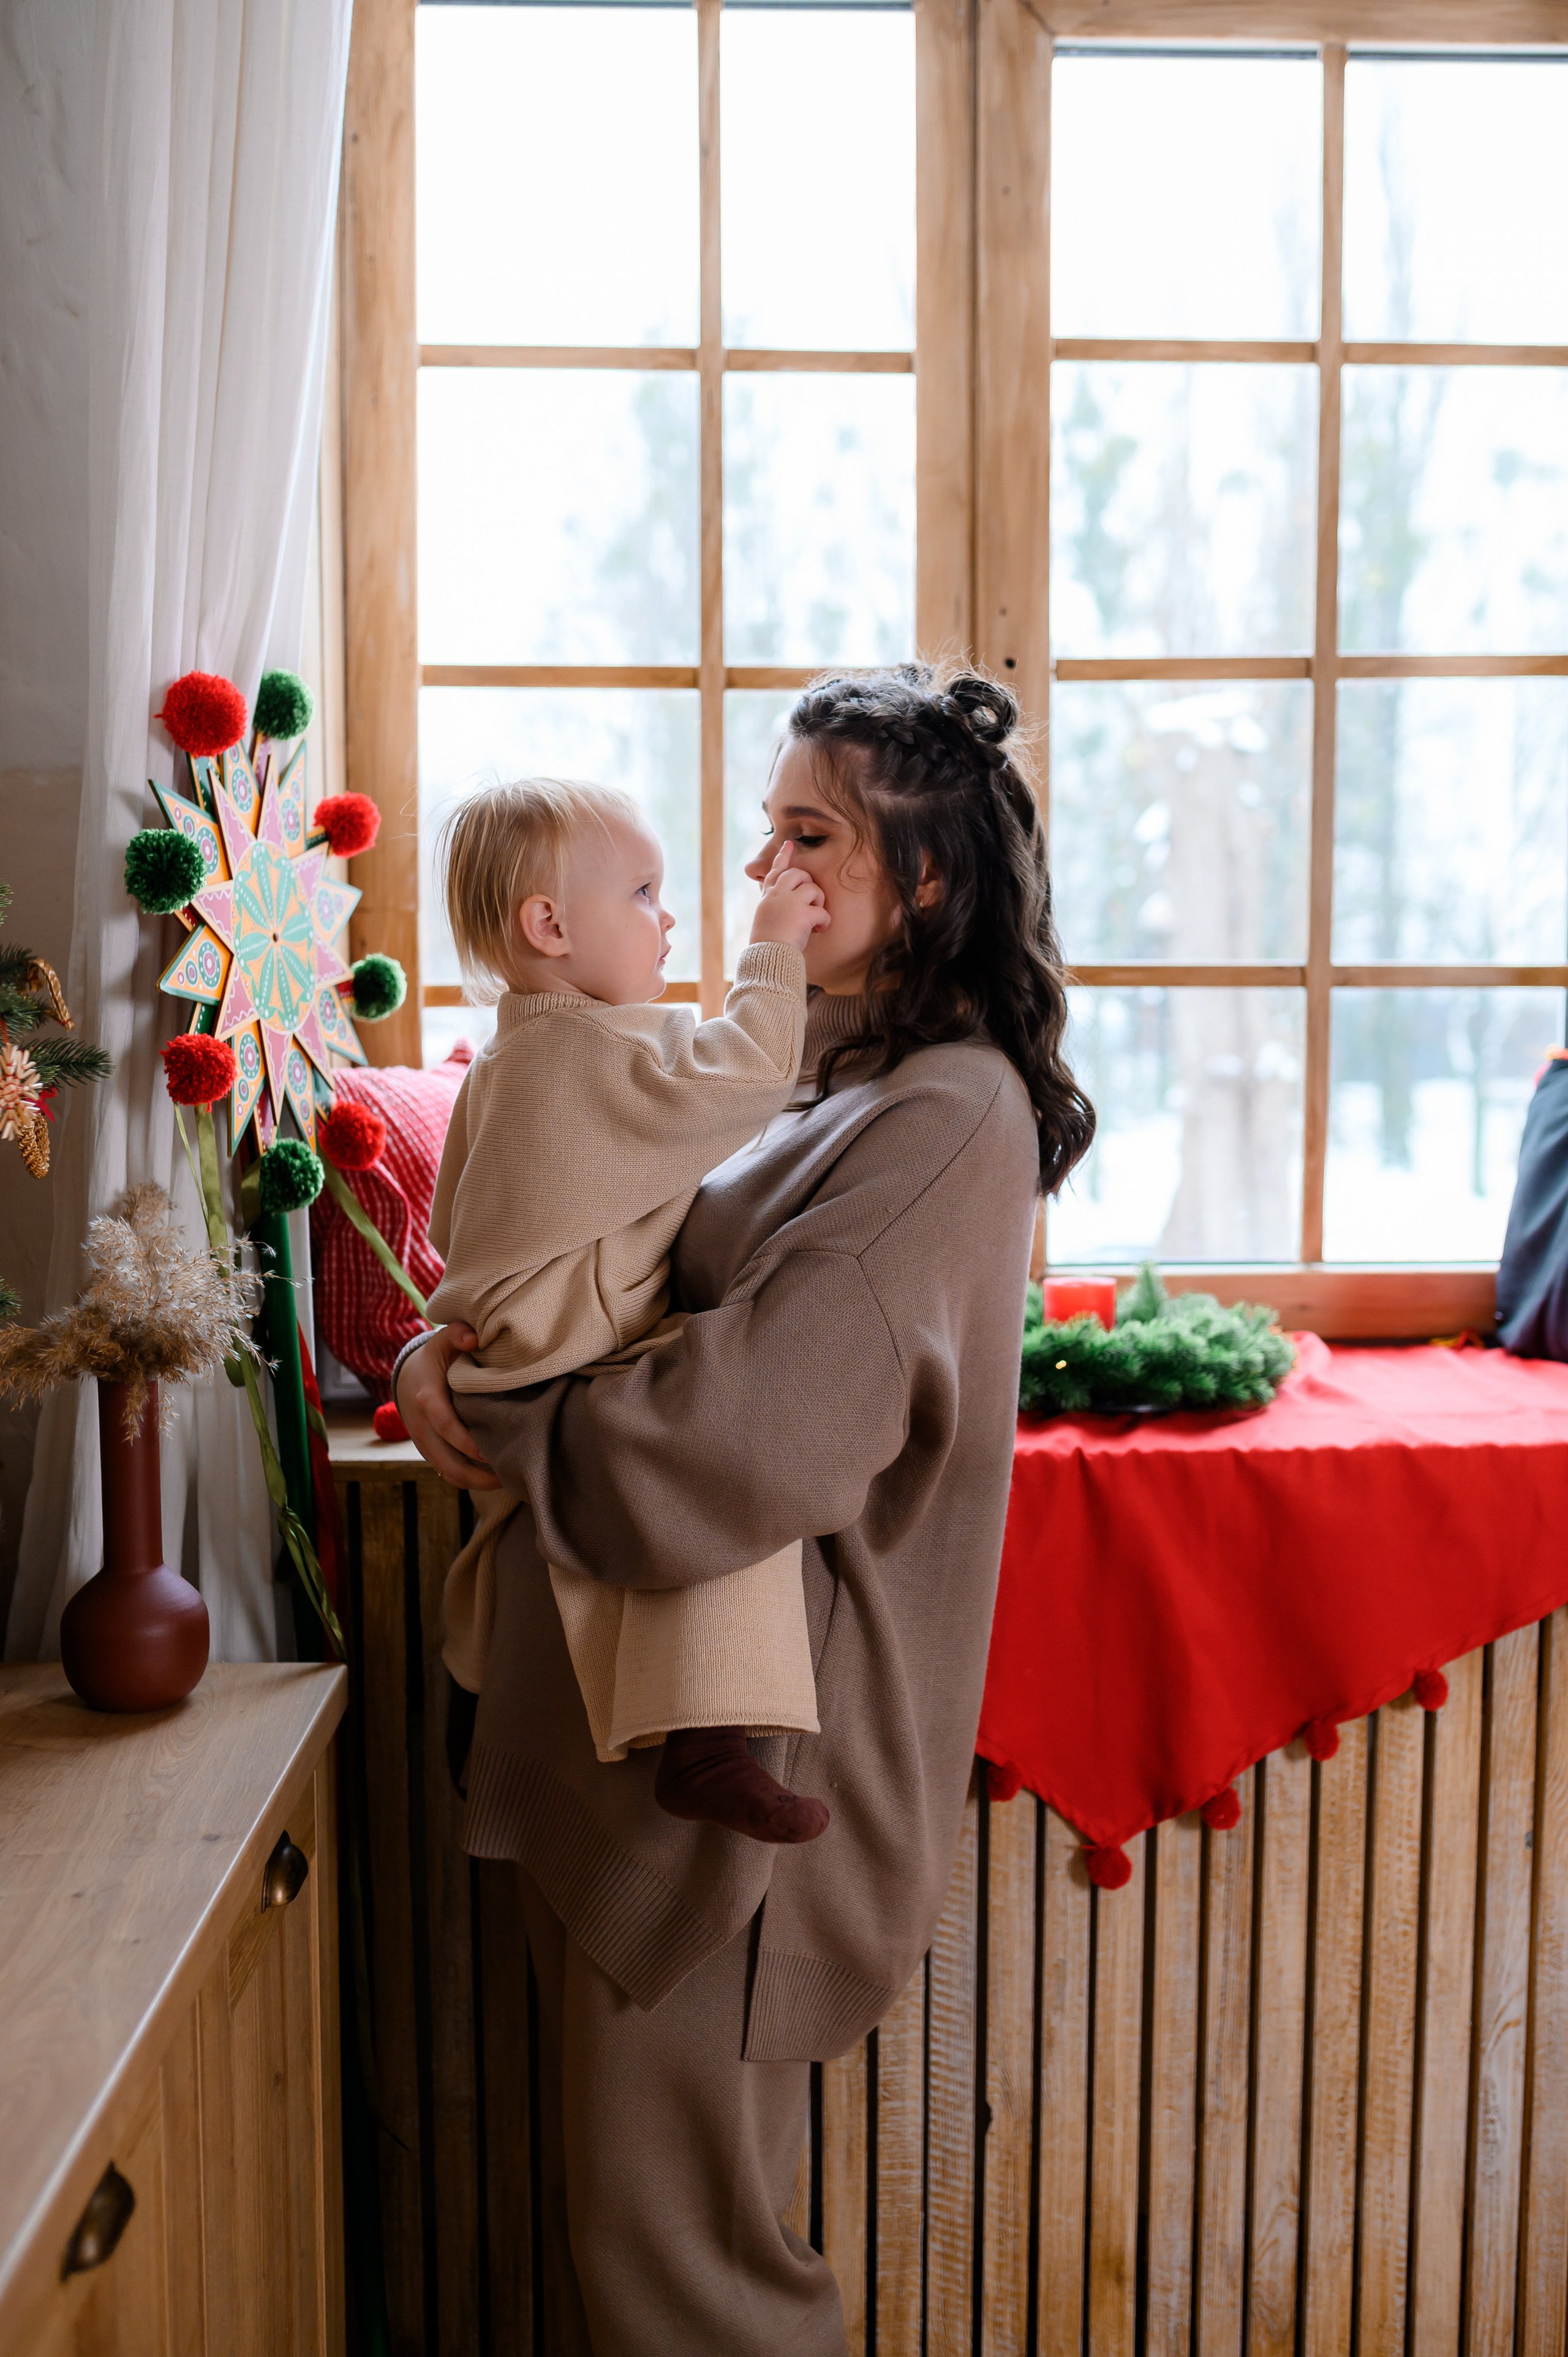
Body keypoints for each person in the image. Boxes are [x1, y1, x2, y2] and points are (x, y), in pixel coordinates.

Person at [395, 663, 1094, 2356]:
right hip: (655, 1742)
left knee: (687, 2276)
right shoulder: (803, 1073)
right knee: (645, 2244)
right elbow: (579, 1265)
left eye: (812, 835)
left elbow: (757, 1431)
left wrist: (488, 1403)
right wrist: (442, 1357)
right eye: (766, 828)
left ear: (922, 880)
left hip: (738, 1782)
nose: (767, 870)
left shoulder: (946, 1113)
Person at [425, 772, 833, 1843]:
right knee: (721, 1466)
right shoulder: (581, 1048)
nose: (665, 919)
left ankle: (492, 1707)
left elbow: (447, 1212)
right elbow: (742, 1078)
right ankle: (706, 1741)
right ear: (550, 925)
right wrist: (774, 948)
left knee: (558, 1524)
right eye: (645, 894)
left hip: (512, 1357)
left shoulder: (512, 1050)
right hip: (560, 1355)